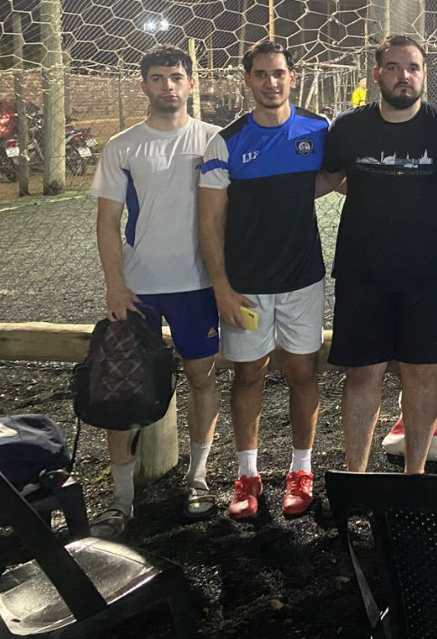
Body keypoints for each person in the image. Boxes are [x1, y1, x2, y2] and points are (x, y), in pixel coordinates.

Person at [318, 36, 437, 473]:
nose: (403, 75)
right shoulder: (349, 128)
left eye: (412, 67)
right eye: (392, 67)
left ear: (424, 74)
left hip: (432, 278)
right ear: (377, 74)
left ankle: (414, 476)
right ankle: (355, 475)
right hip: (363, 274)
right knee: (362, 376)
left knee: (421, 375)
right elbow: (324, 180)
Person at [88, 46, 223, 538]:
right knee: (120, 388)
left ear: (191, 84)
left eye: (177, 77)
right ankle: (121, 498)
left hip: (199, 287)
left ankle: (199, 478)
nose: (169, 85)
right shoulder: (123, 146)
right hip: (139, 289)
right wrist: (115, 283)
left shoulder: (213, 140)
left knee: (202, 379)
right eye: (158, 78)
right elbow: (107, 222)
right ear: (143, 85)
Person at [199, 40, 331, 520]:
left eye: (279, 73)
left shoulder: (320, 130)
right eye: (261, 74)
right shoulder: (227, 141)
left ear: (292, 77)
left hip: (302, 280)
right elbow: (210, 222)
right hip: (246, 284)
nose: (271, 82)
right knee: (248, 374)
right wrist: (221, 286)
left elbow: (342, 179)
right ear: (247, 79)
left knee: (302, 373)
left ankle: (301, 470)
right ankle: (248, 474)